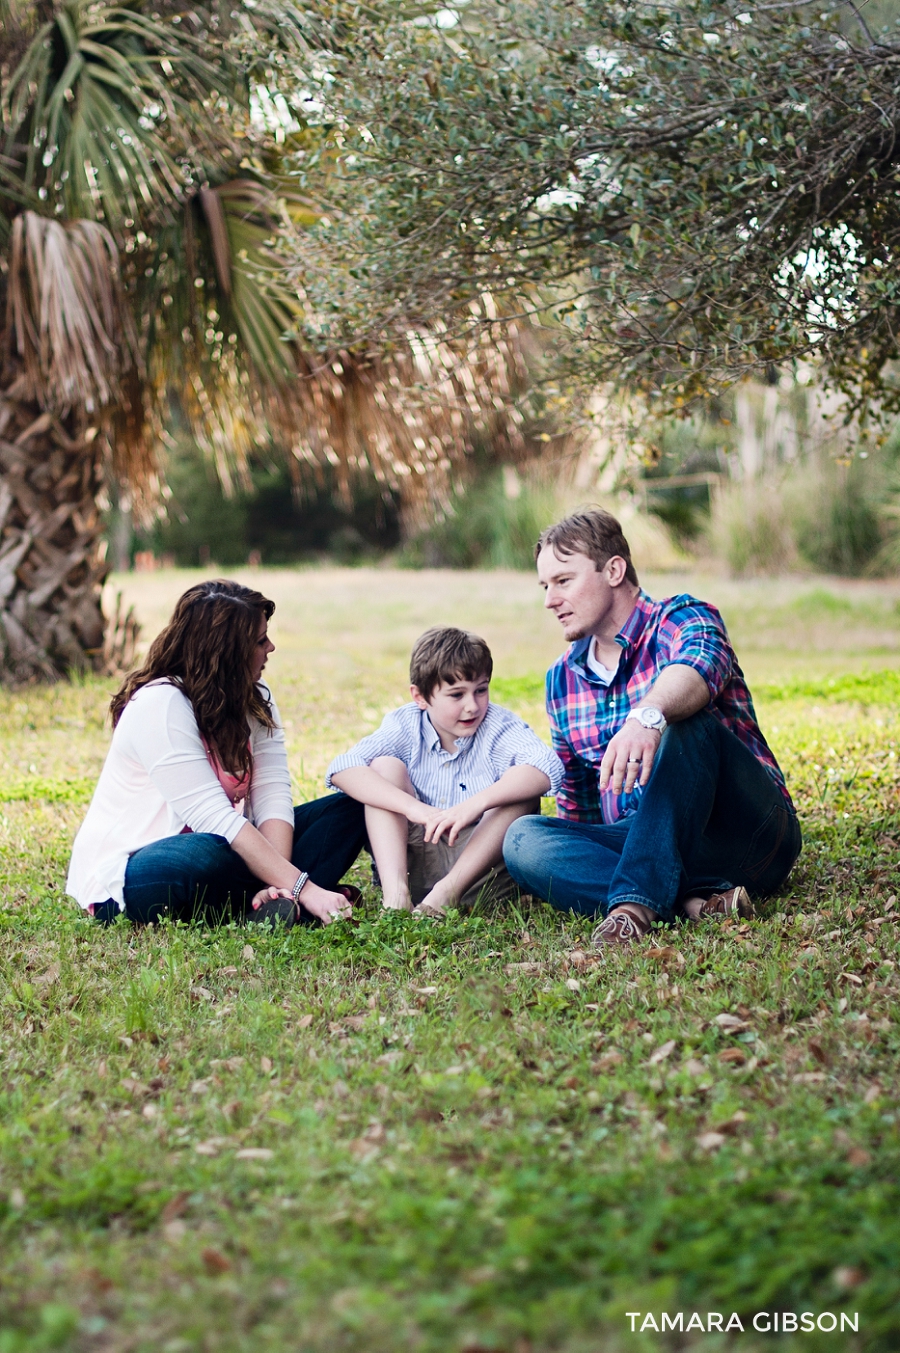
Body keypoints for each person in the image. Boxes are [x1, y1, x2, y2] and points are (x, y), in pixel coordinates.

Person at [502, 508, 801, 948]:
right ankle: (693, 903)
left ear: (614, 570)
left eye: (563, 581)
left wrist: (649, 716)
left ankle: (633, 910)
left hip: (745, 832)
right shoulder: (561, 679)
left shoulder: (682, 617)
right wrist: (567, 857)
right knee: (524, 839)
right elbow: (580, 803)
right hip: (646, 841)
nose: (549, 599)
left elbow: (698, 665)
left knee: (685, 722)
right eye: (545, 585)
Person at [67, 580, 366, 928]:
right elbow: (217, 820)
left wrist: (278, 882)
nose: (271, 647)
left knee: (350, 807)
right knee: (206, 852)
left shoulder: (254, 695)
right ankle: (276, 905)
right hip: (139, 868)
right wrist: (307, 888)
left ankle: (265, 904)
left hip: (231, 853)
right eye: (259, 640)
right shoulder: (160, 705)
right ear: (225, 652)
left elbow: (272, 795)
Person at [327, 626, 563, 917]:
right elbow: (342, 769)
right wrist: (415, 809)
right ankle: (396, 895)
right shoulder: (405, 725)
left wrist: (472, 806)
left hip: (479, 870)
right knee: (384, 767)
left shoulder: (498, 726)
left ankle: (446, 893)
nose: (472, 706)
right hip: (417, 856)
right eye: (456, 695)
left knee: (519, 792)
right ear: (420, 696)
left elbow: (547, 766)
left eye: (481, 690)